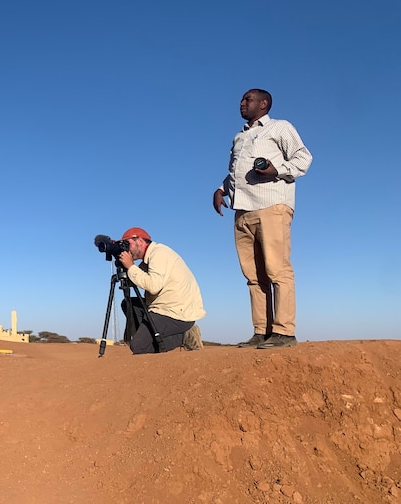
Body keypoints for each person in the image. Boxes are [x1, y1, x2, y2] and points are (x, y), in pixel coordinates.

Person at [213, 88, 312, 349]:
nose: (242, 103)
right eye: (242, 99)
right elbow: (235, 172)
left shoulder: (279, 127)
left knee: (277, 269)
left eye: (248, 99)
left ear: (264, 104)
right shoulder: (239, 137)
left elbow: (303, 158)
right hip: (242, 211)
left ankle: (284, 332)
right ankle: (261, 330)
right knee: (254, 276)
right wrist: (222, 190)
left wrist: (277, 170)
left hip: (271, 205)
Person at [115, 227, 206, 354]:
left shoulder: (159, 254)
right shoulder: (148, 259)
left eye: (127, 244)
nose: (126, 249)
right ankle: (146, 337)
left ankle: (185, 336)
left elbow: (153, 286)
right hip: (163, 308)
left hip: (176, 313)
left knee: (138, 347)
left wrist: (130, 267)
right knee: (128, 304)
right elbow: (140, 279)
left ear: (140, 241)